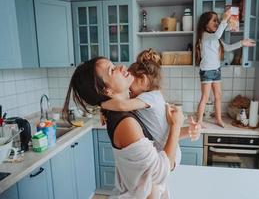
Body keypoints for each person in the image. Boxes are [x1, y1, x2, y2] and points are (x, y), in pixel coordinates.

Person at [62, 57, 191, 198]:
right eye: (112, 70)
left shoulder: (126, 110)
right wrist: (176, 126)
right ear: (107, 91)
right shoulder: (126, 124)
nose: (122, 67)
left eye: (114, 64)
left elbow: (155, 135)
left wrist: (184, 131)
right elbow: (158, 173)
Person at [100, 49, 201, 168]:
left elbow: (123, 105)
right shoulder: (153, 97)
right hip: (169, 150)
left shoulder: (149, 97)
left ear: (142, 80)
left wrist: (101, 104)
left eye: (130, 88)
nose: (129, 91)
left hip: (169, 154)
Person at [195, 10, 256, 127]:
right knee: (205, 97)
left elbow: (227, 48)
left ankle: (218, 119)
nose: (217, 22)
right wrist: (224, 19)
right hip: (207, 71)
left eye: (217, 21)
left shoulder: (215, 38)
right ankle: (199, 121)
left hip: (216, 70)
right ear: (205, 23)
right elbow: (218, 34)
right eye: (214, 20)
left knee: (218, 95)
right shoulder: (205, 36)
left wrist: (242, 43)